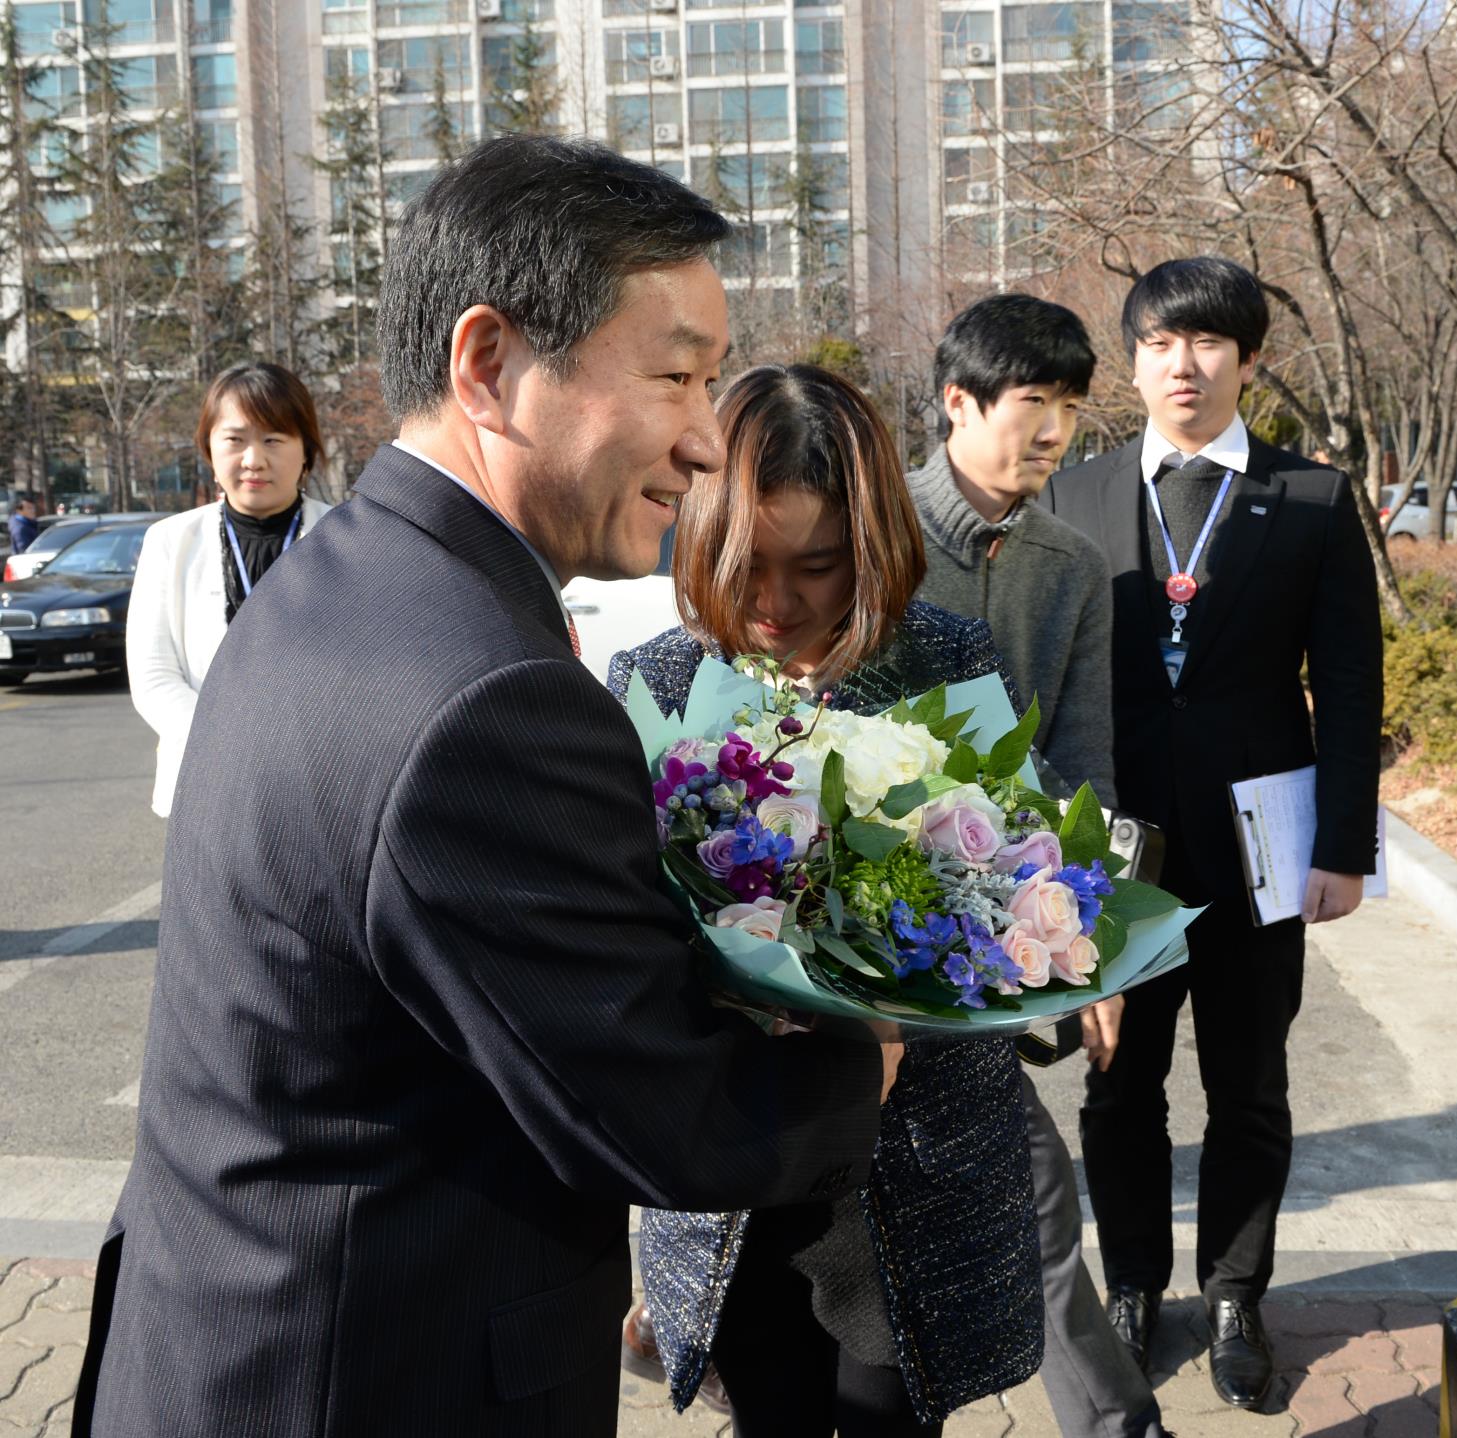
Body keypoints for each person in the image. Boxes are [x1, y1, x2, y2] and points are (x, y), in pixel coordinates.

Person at [72, 136, 900, 1438]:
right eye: (677, 375)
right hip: (371, 1375)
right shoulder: (486, 695)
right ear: (490, 364)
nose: (702, 440)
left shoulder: (336, 579)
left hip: (235, 1337)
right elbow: (669, 1120)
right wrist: (877, 1044)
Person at [608, 363, 1043, 1436]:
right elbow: (616, 952)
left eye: (816, 566)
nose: (773, 604)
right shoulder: (655, 682)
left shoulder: (943, 658)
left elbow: (1010, 891)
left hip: (914, 1162)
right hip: (737, 1179)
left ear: (875, 549)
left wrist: (937, 978)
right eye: (742, 564)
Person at [1043, 256, 1382, 1410]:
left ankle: (1238, 1295)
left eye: (1205, 344)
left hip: (1260, 845)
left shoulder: (1311, 499)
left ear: (1246, 358)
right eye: (1156, 344)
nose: (1180, 365)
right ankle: (1132, 1282)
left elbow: (1347, 683)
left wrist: (1344, 844)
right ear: (1130, 360)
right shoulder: (1075, 496)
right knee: (1116, 1080)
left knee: (1249, 1083)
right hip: (1116, 851)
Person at [905, 293, 1169, 1438]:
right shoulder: (867, 531)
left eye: (1072, 404)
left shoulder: (1070, 560)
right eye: (1033, 403)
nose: (1055, 429)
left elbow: (1083, 760)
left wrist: (1087, 940)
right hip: (862, 932)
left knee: (1027, 1198)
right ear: (957, 402)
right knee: (1014, 1194)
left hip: (991, 935)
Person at [125, 363, 333, 817]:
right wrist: (227, 740)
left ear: (306, 452)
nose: (253, 459)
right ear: (208, 448)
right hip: (204, 784)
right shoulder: (170, 542)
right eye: (235, 439)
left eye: (274, 440)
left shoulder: (346, 539)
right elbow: (153, 676)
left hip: (316, 788)